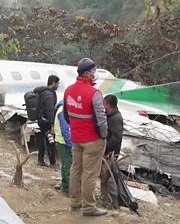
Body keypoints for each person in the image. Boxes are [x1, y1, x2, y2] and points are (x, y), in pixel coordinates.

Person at [63, 58, 108, 216]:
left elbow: (66, 114)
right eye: (93, 70)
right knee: (90, 173)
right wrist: (103, 135)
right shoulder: (94, 93)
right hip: (92, 140)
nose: (95, 73)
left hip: (76, 138)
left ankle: (75, 202)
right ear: (88, 73)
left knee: (76, 169)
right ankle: (89, 207)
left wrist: (76, 127)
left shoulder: (68, 90)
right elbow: (101, 118)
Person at [100, 94, 124, 207]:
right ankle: (104, 200)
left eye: (104, 103)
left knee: (109, 179)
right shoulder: (109, 116)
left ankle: (112, 203)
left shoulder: (116, 118)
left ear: (108, 104)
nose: (102, 105)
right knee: (104, 178)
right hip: (107, 153)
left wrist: (106, 148)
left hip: (111, 154)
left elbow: (117, 137)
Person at [34, 75, 59, 169]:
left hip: (41, 119)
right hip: (46, 121)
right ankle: (53, 163)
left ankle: (40, 160)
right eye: (57, 83)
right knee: (50, 141)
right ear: (53, 83)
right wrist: (52, 124)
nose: (58, 85)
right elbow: (50, 110)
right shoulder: (49, 94)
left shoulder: (42, 92)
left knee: (42, 139)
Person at [54, 100, 72, 193]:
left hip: (61, 141)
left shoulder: (62, 109)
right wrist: (70, 145)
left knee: (65, 164)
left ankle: (65, 184)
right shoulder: (63, 112)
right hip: (63, 142)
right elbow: (65, 130)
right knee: (68, 165)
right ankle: (68, 188)